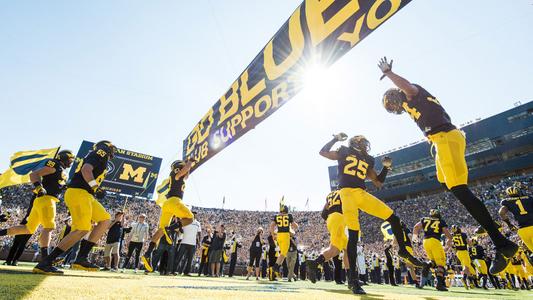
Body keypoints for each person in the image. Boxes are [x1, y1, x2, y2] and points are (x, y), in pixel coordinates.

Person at [379, 56, 518, 273]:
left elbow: (408, 87)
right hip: (440, 140)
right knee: (447, 183)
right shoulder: (411, 105)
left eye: (393, 103)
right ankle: (485, 219)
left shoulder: (413, 93)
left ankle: (502, 243)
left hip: (445, 137)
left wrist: (389, 73)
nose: (395, 107)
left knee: (461, 192)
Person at [320, 134, 423, 294]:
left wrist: (386, 168)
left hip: (361, 193)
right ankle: (353, 280)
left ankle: (403, 250)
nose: (365, 145)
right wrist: (334, 139)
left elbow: (378, 182)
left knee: (394, 219)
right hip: (346, 194)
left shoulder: (368, 159)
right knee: (353, 237)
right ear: (354, 142)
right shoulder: (344, 150)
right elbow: (323, 152)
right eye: (362, 141)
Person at [35, 141, 116, 274]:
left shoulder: (102, 157)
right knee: (82, 229)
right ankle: (46, 262)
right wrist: (95, 186)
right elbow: (86, 169)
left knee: (105, 220)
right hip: (79, 192)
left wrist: (94, 188)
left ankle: (81, 257)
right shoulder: (100, 153)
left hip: (87, 194)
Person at [0, 150, 74, 274]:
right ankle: (45, 261)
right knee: (49, 227)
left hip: (43, 200)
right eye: (70, 160)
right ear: (64, 158)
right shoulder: (55, 164)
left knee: (27, 229)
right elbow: (34, 174)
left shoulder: (61, 169)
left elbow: (56, 183)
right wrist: (39, 187)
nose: (71, 162)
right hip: (47, 199)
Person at [141, 159, 194, 272]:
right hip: (175, 201)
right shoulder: (175, 174)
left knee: (160, 231)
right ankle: (169, 229)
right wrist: (190, 162)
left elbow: (186, 174)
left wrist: (189, 165)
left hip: (167, 205)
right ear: (179, 168)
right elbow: (184, 171)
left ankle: (147, 253)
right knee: (190, 218)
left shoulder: (178, 177)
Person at [307, 190, 359, 290]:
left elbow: (323, 214)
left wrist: (332, 220)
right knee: (335, 249)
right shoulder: (345, 192)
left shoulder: (331, 195)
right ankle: (314, 263)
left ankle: (351, 279)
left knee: (346, 249)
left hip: (332, 219)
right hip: (340, 218)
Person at [413, 209, 452, 291]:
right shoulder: (441, 221)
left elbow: (416, 227)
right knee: (440, 264)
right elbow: (447, 234)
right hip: (435, 241)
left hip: (425, 241)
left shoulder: (424, 219)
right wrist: (448, 245)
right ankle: (439, 285)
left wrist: (415, 238)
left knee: (433, 263)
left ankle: (422, 281)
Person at [499, 185, 533, 253]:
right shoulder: (529, 198)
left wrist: (509, 224)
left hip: (522, 230)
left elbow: (501, 212)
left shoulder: (506, 201)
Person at [269, 203, 298, 280]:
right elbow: (295, 225)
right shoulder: (289, 216)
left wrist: (273, 235)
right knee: (283, 254)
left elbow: (272, 225)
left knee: (282, 254)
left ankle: (276, 268)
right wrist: (295, 226)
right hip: (285, 236)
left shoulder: (277, 216)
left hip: (278, 235)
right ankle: (275, 267)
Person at [173, 211, 201, 276]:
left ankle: (187, 272)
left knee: (190, 259)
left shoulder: (198, 223)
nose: (194, 215)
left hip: (193, 244)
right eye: (193, 214)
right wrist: (180, 226)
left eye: (195, 215)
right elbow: (181, 230)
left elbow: (199, 233)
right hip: (184, 242)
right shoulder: (186, 221)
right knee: (179, 257)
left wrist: (199, 242)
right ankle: (174, 270)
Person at [450, 225, 475, 289]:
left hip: (458, 252)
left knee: (467, 267)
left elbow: (451, 245)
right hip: (464, 251)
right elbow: (469, 244)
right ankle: (466, 279)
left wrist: (454, 250)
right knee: (466, 267)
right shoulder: (463, 234)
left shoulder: (453, 235)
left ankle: (469, 281)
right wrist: (472, 241)